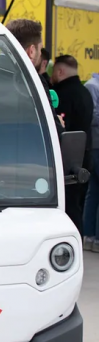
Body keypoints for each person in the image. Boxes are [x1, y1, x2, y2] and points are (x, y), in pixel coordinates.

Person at [53, 55, 94, 235]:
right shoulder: (85, 92)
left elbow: (61, 129)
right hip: (85, 156)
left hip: (67, 162)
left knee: (68, 207)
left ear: (60, 71)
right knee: (78, 204)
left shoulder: (62, 95)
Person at [4, 19, 62, 126]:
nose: (40, 54)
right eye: (40, 49)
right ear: (32, 51)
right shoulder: (34, 81)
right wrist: (59, 124)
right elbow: (51, 128)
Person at [83, 72, 99, 251]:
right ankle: (92, 237)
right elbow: (92, 116)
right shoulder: (93, 86)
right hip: (96, 145)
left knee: (94, 192)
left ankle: (90, 236)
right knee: (93, 192)